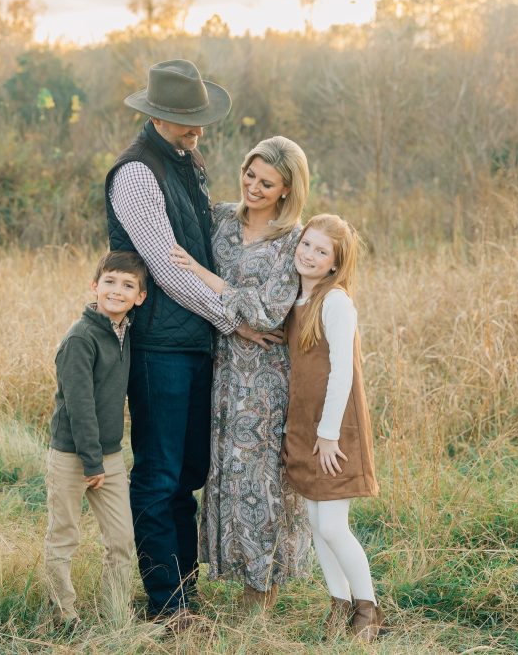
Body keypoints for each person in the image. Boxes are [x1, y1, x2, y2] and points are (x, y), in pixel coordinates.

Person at [106, 59, 267, 623]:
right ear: (156, 116)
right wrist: (233, 318)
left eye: (199, 120)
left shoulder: (185, 161)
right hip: (159, 348)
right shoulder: (135, 174)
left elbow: (203, 249)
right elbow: (167, 268)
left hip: (195, 342)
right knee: (159, 474)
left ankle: (185, 594)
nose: (197, 130)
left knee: (188, 475)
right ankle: (166, 605)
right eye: (185, 121)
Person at [169, 136, 313, 608]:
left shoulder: (293, 239)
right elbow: (194, 288)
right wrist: (222, 306)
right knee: (224, 472)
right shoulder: (219, 220)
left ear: (287, 189)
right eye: (249, 174)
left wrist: (206, 277)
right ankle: (235, 572)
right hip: (219, 367)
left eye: (266, 182)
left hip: (265, 377)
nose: (253, 186)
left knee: (259, 477)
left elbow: (266, 312)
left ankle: (263, 585)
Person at [282, 214, 383, 642]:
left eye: (322, 252)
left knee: (331, 526)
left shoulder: (335, 301)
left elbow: (343, 370)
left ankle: (368, 609)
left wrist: (327, 434)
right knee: (313, 520)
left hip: (332, 428)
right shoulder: (295, 300)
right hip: (303, 424)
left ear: (334, 264)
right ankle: (338, 603)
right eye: (307, 244)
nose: (309, 254)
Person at [44, 250, 148, 628]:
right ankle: (63, 615)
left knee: (121, 539)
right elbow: (79, 406)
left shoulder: (125, 333)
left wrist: (104, 459)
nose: (117, 290)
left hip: (110, 456)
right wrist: (92, 462)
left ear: (140, 296)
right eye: (110, 281)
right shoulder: (80, 338)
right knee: (64, 537)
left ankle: (114, 613)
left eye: (127, 285)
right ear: (95, 286)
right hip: (74, 456)